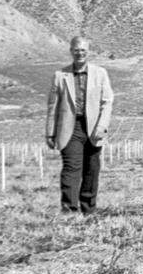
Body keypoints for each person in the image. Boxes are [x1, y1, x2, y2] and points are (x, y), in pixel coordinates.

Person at [46, 36, 113, 215]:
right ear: (71, 51)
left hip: (93, 127)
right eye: (76, 50)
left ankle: (88, 210)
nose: (80, 53)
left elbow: (107, 102)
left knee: (92, 169)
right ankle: (69, 209)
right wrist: (50, 133)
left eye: (83, 50)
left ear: (88, 52)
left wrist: (102, 126)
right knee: (71, 167)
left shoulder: (100, 73)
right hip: (70, 127)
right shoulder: (60, 76)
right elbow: (53, 106)